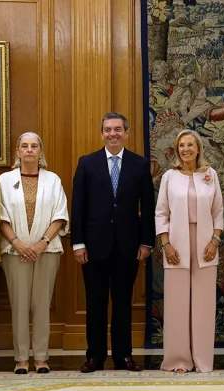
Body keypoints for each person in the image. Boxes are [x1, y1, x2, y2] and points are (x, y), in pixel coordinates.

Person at [71, 111, 155, 373]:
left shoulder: (140, 165)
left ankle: (123, 356)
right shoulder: (87, 163)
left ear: (126, 133)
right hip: (93, 247)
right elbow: (78, 206)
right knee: (95, 303)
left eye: (118, 129)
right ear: (102, 133)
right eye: (108, 129)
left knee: (122, 304)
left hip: (127, 246)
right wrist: (78, 243)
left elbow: (148, 208)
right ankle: (94, 356)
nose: (113, 134)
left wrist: (146, 242)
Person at [0, 133, 68, 374]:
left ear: (41, 151)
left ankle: (41, 358)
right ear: (17, 152)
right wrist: (18, 244)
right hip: (14, 251)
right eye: (24, 146)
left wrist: (40, 245)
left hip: (47, 251)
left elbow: (60, 215)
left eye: (34, 146)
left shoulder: (53, 180)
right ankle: (21, 359)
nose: (29, 150)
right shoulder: (4, 181)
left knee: (41, 303)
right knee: (19, 304)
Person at [155, 129, 223, 373]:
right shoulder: (169, 177)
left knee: (204, 305)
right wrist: (166, 244)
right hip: (176, 244)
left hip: (206, 244)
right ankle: (178, 360)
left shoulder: (210, 175)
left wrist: (214, 242)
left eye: (190, 145)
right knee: (176, 304)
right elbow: (161, 212)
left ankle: (203, 360)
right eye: (182, 145)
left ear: (198, 149)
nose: (186, 149)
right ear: (177, 149)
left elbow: (218, 211)